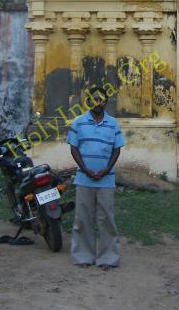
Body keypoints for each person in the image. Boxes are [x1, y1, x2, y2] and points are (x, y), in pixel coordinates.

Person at [66, 86, 125, 270]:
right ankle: (83, 256)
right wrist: (85, 169)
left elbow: (117, 149)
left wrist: (107, 169)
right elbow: (74, 148)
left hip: (106, 180)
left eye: (101, 100)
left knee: (107, 219)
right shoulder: (78, 122)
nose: (97, 103)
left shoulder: (113, 124)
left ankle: (108, 258)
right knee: (83, 219)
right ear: (88, 101)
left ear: (105, 102)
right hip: (84, 179)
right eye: (94, 99)